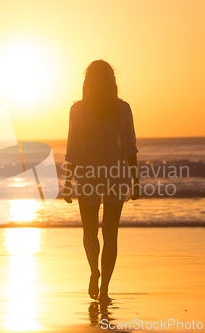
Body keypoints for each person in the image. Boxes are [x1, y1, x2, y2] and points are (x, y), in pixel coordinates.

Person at [63, 60, 140, 303]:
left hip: (88, 174)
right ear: (111, 81)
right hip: (116, 174)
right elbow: (130, 149)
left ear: (88, 81)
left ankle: (94, 271)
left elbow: (73, 149)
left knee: (89, 232)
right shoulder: (123, 108)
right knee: (111, 234)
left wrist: (67, 181)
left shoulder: (78, 110)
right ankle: (105, 288)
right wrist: (135, 181)